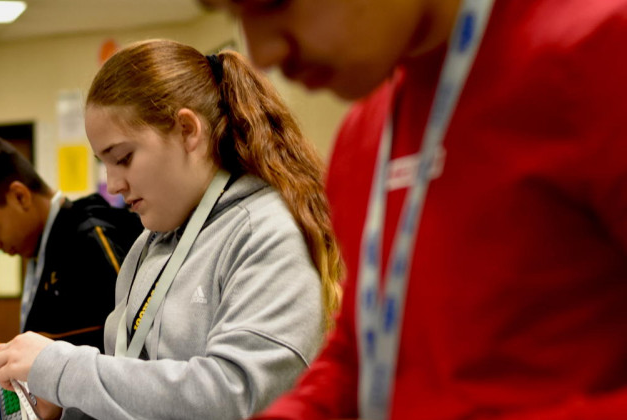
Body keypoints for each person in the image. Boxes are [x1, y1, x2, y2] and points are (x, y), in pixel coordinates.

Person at [204, 0, 627, 419]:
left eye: (271, 3)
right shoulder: (364, 137)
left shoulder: (601, 51)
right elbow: (364, 355)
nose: (262, 53)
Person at [0, 39, 343, 420]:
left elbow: (237, 396)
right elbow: (139, 388)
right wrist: (63, 398)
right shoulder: (147, 248)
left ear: (187, 130)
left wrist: (64, 370)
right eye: (104, 163)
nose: (113, 184)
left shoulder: (266, 231)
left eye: (123, 158)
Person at [0, 132, 143, 364]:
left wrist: (27, 354)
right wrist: (8, 353)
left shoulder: (89, 236)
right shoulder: (45, 248)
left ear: (19, 197)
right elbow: (74, 339)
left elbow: (130, 343)